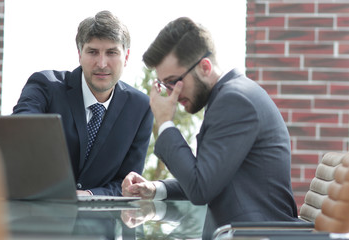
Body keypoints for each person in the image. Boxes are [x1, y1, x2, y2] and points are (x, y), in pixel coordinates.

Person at [122, 17, 298, 238]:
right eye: (163, 85)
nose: (170, 94)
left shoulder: (234, 101)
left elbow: (200, 188)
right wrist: (157, 188)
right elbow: (208, 177)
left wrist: (166, 122)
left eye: (173, 81)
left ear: (204, 67)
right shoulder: (229, 96)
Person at [13, 10, 153, 196]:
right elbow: (20, 129)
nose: (102, 63)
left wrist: (89, 196)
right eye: (93, 52)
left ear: (126, 57)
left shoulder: (141, 108)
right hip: (38, 213)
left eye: (111, 52)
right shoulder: (45, 86)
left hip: (100, 221)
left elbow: (127, 182)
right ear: (79, 54)